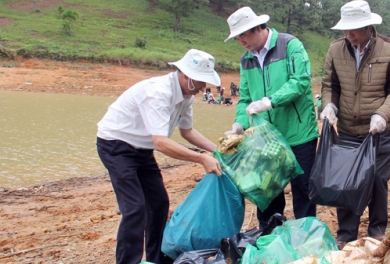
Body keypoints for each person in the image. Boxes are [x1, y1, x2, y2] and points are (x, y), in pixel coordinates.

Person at [96, 49, 222, 264]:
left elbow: (187, 132)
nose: (203, 88)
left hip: (142, 149)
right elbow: (161, 143)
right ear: (185, 75)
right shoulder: (158, 92)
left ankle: (156, 258)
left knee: (159, 202)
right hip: (116, 146)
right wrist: (202, 159)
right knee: (135, 208)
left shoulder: (186, 95)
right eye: (200, 81)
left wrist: (218, 150)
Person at [320, 0, 390, 250]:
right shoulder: (336, 49)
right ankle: (346, 233)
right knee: (348, 180)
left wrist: (383, 114)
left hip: (381, 129)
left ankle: (377, 230)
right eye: (345, 30)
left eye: (354, 30)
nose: (348, 35)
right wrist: (329, 105)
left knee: (378, 179)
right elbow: (330, 85)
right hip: (349, 128)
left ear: (369, 26)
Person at [224, 6, 320, 229]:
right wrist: (239, 123)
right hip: (266, 137)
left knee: (302, 188)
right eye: (237, 38)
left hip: (298, 133)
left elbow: (300, 80)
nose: (241, 41)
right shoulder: (246, 60)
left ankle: (307, 235)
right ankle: (271, 237)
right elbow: (246, 97)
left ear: (258, 27)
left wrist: (271, 101)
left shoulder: (290, 45)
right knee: (267, 189)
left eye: (243, 35)